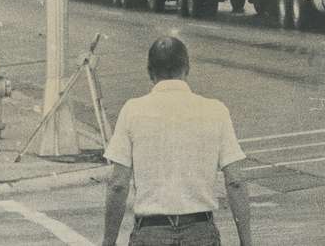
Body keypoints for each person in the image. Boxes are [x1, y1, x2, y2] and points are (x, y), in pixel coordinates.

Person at [102, 36, 252, 246]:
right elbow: (235, 181)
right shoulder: (215, 110)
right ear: (187, 69)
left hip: (150, 233)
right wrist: (247, 242)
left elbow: (118, 185)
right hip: (201, 232)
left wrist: (108, 242)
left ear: (149, 71)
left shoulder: (132, 111)